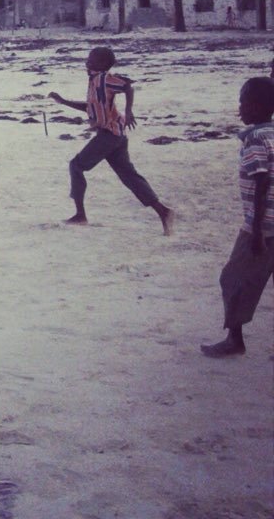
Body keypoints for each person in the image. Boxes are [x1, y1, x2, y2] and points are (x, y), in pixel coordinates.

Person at [49, 46, 174, 233]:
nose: (87, 62)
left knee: (76, 165)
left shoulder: (105, 79)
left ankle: (80, 215)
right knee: (129, 176)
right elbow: (90, 107)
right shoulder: (94, 81)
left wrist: (130, 110)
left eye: (92, 60)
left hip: (109, 135)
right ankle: (163, 211)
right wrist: (64, 101)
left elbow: (127, 86)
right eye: (88, 58)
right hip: (117, 135)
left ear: (103, 64)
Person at [200, 77, 274, 358]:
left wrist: (255, 231)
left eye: (243, 102)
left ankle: (235, 339)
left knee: (233, 279)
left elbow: (261, 182)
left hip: (262, 226)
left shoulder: (255, 138)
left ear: (257, 106)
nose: (240, 108)